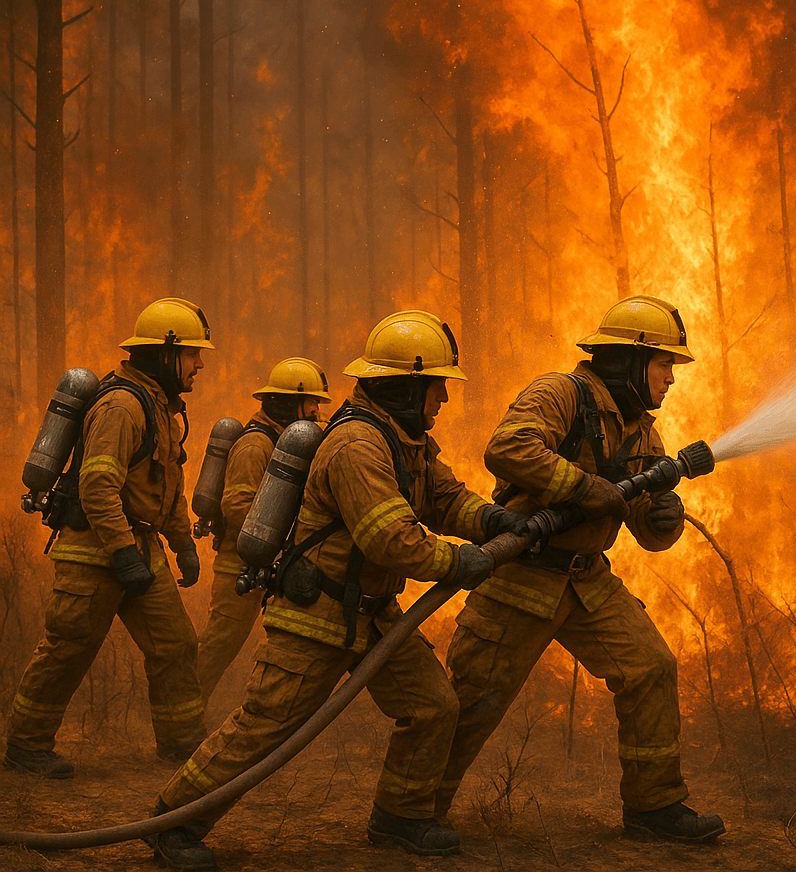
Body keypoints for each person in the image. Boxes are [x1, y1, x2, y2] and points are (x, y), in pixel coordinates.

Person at [151, 311, 521, 870]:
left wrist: (493, 521)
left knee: (432, 705)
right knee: (264, 725)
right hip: (317, 614)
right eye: (436, 386)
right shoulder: (356, 445)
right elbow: (389, 538)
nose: (443, 398)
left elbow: (445, 499)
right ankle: (173, 822)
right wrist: (459, 560)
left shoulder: (407, 442)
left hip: (373, 614)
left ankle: (400, 815)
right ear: (406, 386)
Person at [437, 295, 726, 844]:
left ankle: (655, 806)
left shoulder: (644, 434)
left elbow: (647, 532)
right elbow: (507, 448)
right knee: (476, 699)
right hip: (521, 574)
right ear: (630, 359)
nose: (671, 378)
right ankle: (410, 810)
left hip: (588, 581)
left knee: (650, 667)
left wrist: (664, 518)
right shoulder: (560, 393)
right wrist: (585, 488)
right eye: (664, 363)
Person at [4, 297, 214, 779]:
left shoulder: (160, 408)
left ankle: (182, 743)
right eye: (192, 354)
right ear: (165, 353)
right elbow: (97, 486)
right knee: (68, 647)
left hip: (141, 548)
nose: (199, 365)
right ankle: (26, 746)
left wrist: (182, 544)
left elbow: (166, 486)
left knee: (176, 644)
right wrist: (121, 552)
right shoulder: (122, 406)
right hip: (93, 551)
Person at [197, 357, 331, 704]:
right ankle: (184, 711)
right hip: (239, 563)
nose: (316, 412)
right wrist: (280, 539)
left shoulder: (281, 440)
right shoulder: (255, 445)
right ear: (289, 402)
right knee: (218, 647)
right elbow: (236, 504)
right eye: (311, 402)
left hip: (266, 561)